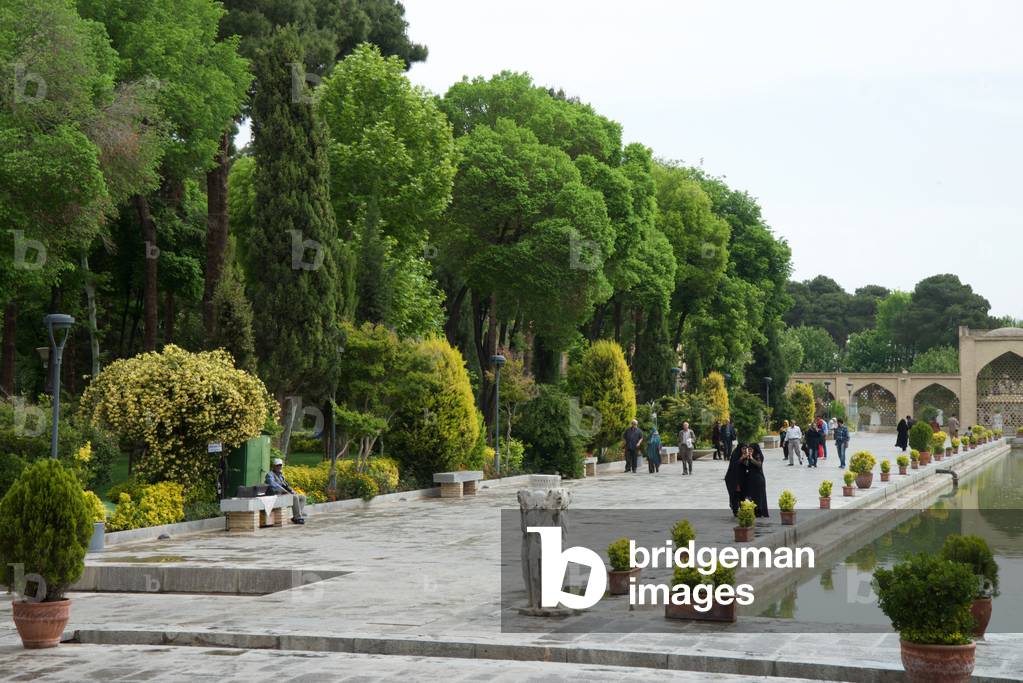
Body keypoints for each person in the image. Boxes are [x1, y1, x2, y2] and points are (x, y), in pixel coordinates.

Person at [265, 458, 307, 525]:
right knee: (294, 497)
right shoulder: (270, 475)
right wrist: (285, 491)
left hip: (283, 493)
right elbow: (273, 485)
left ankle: (296, 516)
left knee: (302, 497)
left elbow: (286, 485)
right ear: (273, 466)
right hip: (275, 494)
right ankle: (298, 518)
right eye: (277, 465)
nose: (279, 467)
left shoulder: (281, 475)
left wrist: (292, 491)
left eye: (280, 465)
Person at [741, 443, 769, 518]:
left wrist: (751, 458)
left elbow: (759, 465)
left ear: (755, 450)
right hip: (751, 479)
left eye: (751, 450)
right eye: (749, 450)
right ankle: (752, 511)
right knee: (752, 495)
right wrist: (744, 458)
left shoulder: (758, 455)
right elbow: (745, 464)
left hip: (758, 479)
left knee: (758, 496)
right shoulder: (749, 456)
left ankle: (759, 512)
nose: (749, 451)